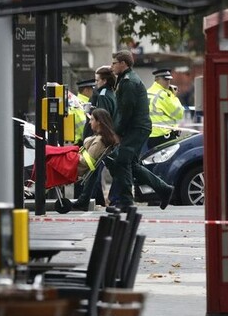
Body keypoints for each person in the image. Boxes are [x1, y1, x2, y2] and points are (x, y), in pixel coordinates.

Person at [109, 50, 175, 211]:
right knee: (131, 164)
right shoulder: (125, 79)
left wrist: (117, 131)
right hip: (137, 128)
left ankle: (126, 203)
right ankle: (164, 189)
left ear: (123, 63)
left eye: (114, 63)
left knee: (122, 161)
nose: (112, 66)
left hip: (136, 128)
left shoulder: (129, 82)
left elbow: (126, 111)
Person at [73, 67, 118, 211]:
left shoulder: (103, 95)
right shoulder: (109, 93)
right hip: (106, 137)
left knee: (95, 168)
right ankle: (86, 198)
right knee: (94, 169)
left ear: (104, 80)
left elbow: (102, 118)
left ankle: (87, 198)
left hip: (102, 138)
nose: (95, 84)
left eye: (97, 80)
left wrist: (95, 137)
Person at [147, 68, 185, 149]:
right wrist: (173, 96)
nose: (168, 82)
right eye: (165, 79)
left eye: (169, 79)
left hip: (150, 136)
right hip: (164, 136)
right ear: (156, 80)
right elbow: (179, 114)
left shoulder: (148, 92)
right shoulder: (163, 95)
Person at [77, 108, 119, 178]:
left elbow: (87, 161)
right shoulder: (103, 137)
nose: (90, 122)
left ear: (99, 121)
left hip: (76, 169)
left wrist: (74, 156)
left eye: (92, 119)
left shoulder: (100, 141)